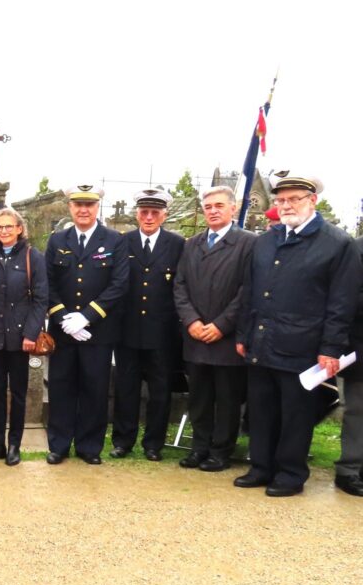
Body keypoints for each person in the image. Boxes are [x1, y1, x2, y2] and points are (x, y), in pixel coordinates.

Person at [234, 173, 361, 497]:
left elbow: (341, 303)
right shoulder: (266, 240)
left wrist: (331, 348)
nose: (286, 205)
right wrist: (243, 335)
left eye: (294, 199)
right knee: (261, 410)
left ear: (312, 200)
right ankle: (261, 467)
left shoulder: (336, 244)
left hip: (303, 347)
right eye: (281, 200)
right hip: (262, 342)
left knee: (295, 415)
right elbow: (250, 292)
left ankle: (290, 474)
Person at [44, 185, 129, 465]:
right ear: (70, 207)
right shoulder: (57, 240)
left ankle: (89, 446)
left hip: (98, 332)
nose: (83, 210)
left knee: (95, 389)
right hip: (63, 332)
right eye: (78, 204)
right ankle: (58, 445)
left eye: (89, 205)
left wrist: (87, 316)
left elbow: (119, 285)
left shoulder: (115, 240)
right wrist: (64, 318)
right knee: (60, 388)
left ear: (97, 208)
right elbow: (48, 283)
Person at [173, 186, 256, 472]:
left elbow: (248, 290)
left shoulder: (248, 243)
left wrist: (221, 324)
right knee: (199, 397)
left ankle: (221, 451)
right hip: (195, 336)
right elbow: (180, 286)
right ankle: (199, 447)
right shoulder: (192, 244)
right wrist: (192, 321)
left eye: (219, 205)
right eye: (208, 206)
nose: (213, 211)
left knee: (227, 399)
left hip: (226, 338)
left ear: (233, 208)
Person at [110, 189, 185, 461]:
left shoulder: (177, 244)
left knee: (160, 392)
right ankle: (123, 440)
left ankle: (153, 444)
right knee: (125, 389)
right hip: (128, 330)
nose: (149, 217)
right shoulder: (123, 242)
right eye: (144, 212)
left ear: (164, 215)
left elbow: (181, 286)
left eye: (155, 212)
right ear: (137, 214)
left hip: (162, 333)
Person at [0, 207, 48, 465]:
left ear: (19, 229)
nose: (4, 231)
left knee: (18, 392)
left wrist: (30, 333)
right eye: (0, 227)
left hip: (21, 338)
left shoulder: (33, 256)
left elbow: (41, 300)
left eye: (9, 226)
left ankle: (14, 444)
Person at [334, 237, 363, 497]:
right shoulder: (357, 248)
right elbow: (347, 296)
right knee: (358, 411)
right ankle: (349, 470)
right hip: (361, 345)